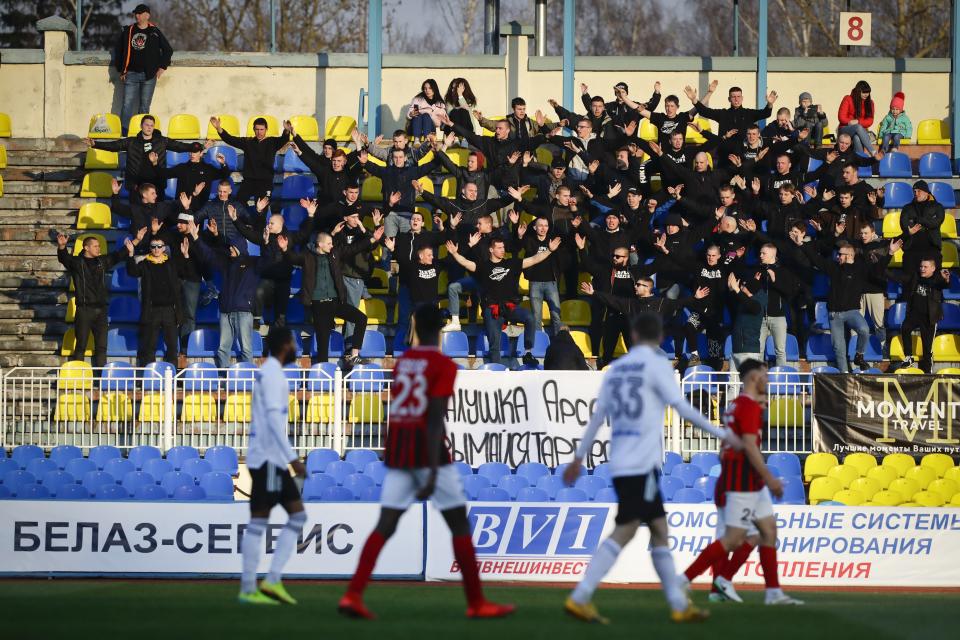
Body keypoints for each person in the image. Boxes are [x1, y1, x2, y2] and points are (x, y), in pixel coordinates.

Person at [562, 313, 742, 624]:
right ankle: (581, 596)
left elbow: (597, 417)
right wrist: (723, 433)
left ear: (632, 336)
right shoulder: (657, 366)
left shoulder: (615, 370)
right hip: (641, 464)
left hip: (619, 462)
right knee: (627, 530)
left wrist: (578, 458)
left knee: (658, 530)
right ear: (660, 339)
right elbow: (683, 408)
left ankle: (677, 603)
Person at [339, 305, 515, 621]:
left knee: (386, 524)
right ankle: (476, 602)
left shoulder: (403, 363)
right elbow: (434, 418)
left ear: (416, 327)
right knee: (459, 524)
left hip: (399, 451)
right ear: (443, 331)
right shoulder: (443, 366)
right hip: (427, 453)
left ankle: (353, 594)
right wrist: (433, 470)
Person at [679, 359, 804, 607]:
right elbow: (748, 446)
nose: (768, 380)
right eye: (765, 375)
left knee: (766, 531)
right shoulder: (747, 406)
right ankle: (683, 580)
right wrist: (770, 479)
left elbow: (731, 444)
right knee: (734, 539)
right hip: (741, 481)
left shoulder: (735, 405)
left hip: (747, 480)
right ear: (754, 377)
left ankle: (771, 592)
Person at [237, 326, 308, 606]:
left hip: (268, 459)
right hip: (269, 460)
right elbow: (275, 424)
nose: (295, 348)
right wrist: (293, 459)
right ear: (284, 346)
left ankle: (269, 581)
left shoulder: (267, 373)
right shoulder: (275, 376)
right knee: (260, 522)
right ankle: (252, 586)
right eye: (293, 342)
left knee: (296, 516)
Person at [446, 235, 560, 366]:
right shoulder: (483, 266)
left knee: (530, 317)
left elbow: (534, 259)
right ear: (491, 250)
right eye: (499, 248)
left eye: (503, 247)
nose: (502, 250)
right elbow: (466, 262)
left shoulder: (512, 263)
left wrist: (549, 251)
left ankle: (528, 352)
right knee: (494, 344)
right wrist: (455, 253)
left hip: (510, 307)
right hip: (492, 308)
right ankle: (497, 371)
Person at [279, 229, 383, 369]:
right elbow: (292, 258)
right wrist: (285, 249)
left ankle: (354, 355)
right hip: (319, 305)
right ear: (320, 244)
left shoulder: (334, 253)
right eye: (328, 243)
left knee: (361, 318)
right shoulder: (307, 256)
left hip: (335, 302)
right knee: (323, 342)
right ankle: (323, 376)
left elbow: (354, 248)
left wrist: (372, 239)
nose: (331, 246)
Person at [56, 230, 139, 368]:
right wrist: (62, 247)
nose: (98, 248)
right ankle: (79, 378)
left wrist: (136, 240)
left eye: (99, 246)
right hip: (84, 310)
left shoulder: (102, 261)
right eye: (95, 246)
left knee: (101, 348)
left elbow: (118, 255)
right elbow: (64, 258)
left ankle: (102, 378)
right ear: (86, 248)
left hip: (101, 310)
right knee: (80, 346)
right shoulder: (77, 262)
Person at [185, 221, 261, 369]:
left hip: (244, 311)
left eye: (233, 247)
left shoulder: (252, 263)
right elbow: (208, 255)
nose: (230, 250)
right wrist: (195, 238)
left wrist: (267, 241)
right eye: (230, 247)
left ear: (240, 248)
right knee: (223, 348)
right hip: (226, 311)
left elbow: (271, 258)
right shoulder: (226, 262)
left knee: (246, 348)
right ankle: (224, 378)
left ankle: (247, 378)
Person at [803, 240, 876, 372]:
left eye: (840, 254)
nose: (837, 257)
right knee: (839, 347)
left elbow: (878, 270)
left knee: (864, 329)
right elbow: (816, 259)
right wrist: (801, 245)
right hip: (834, 314)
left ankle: (859, 355)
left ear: (849, 256)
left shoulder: (860, 269)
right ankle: (844, 374)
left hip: (852, 312)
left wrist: (890, 253)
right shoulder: (833, 267)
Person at [85, 115, 193, 197]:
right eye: (147, 125)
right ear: (141, 126)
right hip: (136, 186)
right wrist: (96, 144)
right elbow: (114, 145)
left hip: (157, 185)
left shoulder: (162, 141)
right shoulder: (131, 142)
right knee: (137, 217)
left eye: (151, 125)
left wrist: (198, 147)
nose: (149, 128)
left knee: (156, 218)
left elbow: (179, 146)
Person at [887, 249, 950, 373]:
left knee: (927, 348)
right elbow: (897, 277)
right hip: (914, 314)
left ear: (933, 268)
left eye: (925, 267)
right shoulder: (915, 276)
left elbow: (944, 284)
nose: (922, 269)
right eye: (921, 266)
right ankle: (909, 357)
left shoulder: (937, 279)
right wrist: (882, 267)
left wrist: (946, 279)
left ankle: (927, 373)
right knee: (905, 327)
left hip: (929, 317)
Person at [124, 234, 182, 368]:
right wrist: (131, 253)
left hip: (169, 310)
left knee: (172, 347)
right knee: (149, 346)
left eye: (159, 246)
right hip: (152, 310)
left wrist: (185, 255)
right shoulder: (145, 264)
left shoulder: (171, 263)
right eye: (153, 247)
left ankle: (171, 377)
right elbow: (132, 271)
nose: (156, 249)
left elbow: (185, 270)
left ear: (163, 248)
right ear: (150, 248)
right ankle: (149, 378)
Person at [113, 4, 173, 134]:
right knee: (127, 105)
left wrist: (162, 67)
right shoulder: (128, 31)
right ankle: (124, 134)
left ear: (147, 15)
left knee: (144, 107)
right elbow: (118, 51)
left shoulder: (154, 31)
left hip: (149, 76)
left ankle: (142, 135)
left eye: (140, 13)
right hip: (131, 74)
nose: (137, 16)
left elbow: (168, 50)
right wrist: (121, 69)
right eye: (136, 13)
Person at [210, 116, 292, 204]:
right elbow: (230, 139)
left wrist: (287, 130)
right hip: (249, 181)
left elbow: (283, 139)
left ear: (266, 129)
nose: (259, 132)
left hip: (265, 182)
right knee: (238, 204)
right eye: (257, 129)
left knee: (261, 209)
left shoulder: (272, 142)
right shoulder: (248, 142)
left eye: (261, 129)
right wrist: (218, 128)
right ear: (253, 129)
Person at [900, 180, 945, 273]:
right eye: (914, 191)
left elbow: (936, 223)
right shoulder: (907, 207)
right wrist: (928, 221)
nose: (916, 193)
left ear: (926, 192)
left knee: (933, 280)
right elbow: (904, 225)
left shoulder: (938, 207)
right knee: (910, 281)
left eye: (919, 191)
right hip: (912, 248)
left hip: (932, 247)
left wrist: (919, 220)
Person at [837, 80, 876, 155]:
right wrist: (850, 122)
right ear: (858, 91)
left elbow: (870, 121)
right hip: (845, 129)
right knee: (857, 127)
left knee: (856, 138)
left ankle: (860, 159)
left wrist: (858, 121)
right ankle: (872, 151)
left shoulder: (870, 103)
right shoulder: (848, 99)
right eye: (863, 92)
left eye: (867, 92)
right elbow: (841, 117)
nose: (866, 94)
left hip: (860, 131)